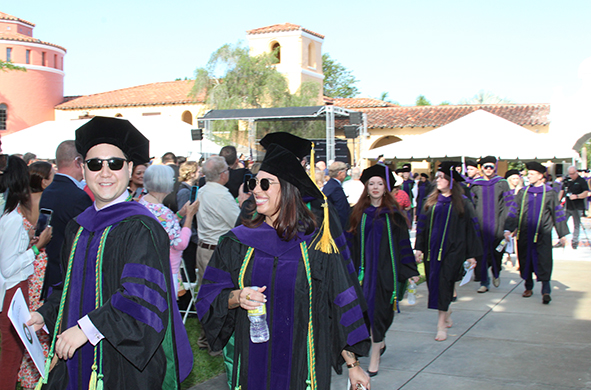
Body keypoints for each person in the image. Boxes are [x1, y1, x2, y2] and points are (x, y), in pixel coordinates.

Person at [28, 117, 192, 389]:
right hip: (76, 355)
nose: (104, 172)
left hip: (121, 364)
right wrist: (45, 314)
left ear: (129, 169)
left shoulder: (142, 228)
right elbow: (67, 288)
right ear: (84, 169)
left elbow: (142, 301)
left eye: (114, 163)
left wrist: (86, 329)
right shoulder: (77, 227)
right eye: (95, 164)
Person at [196, 143, 371, 390]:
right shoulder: (237, 242)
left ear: (288, 189)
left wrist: (353, 366)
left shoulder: (316, 245)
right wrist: (237, 297)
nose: (256, 190)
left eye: (265, 183)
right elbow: (209, 296)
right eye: (253, 183)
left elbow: (339, 302)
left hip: (304, 365)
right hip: (252, 364)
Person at [348, 163, 419, 376]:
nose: (376, 187)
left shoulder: (394, 215)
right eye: (372, 183)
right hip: (363, 274)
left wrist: (411, 271)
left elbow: (403, 245)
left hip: (386, 274)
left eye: (380, 183)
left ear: (386, 187)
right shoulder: (357, 213)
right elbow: (349, 245)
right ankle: (377, 344)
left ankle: (375, 353)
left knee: (381, 313)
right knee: (367, 315)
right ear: (366, 187)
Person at [0, 156, 52, 390]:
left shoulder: (8, 213)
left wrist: (27, 244)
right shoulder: (11, 217)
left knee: (13, 347)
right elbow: (8, 266)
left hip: (13, 286)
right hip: (11, 287)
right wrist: (36, 248)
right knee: (12, 348)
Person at [415, 162, 481, 341]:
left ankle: (440, 325)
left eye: (442, 177)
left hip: (454, 251)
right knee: (434, 285)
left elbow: (472, 229)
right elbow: (422, 227)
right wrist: (419, 248)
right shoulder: (430, 200)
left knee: (445, 284)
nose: (438, 180)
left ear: (451, 181)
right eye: (438, 177)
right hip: (431, 251)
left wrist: (472, 254)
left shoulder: (463, 203)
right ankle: (447, 310)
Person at [505, 162, 569, 304]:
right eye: (528, 174)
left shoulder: (550, 193)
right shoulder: (523, 192)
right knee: (525, 260)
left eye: (532, 174)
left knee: (544, 262)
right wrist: (508, 229)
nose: (528, 176)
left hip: (542, 235)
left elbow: (557, 213)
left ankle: (546, 290)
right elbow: (514, 211)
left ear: (540, 176)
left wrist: (562, 234)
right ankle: (528, 287)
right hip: (525, 234)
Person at [195, 155, 240, 353]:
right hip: (216, 250)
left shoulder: (202, 191)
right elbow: (237, 222)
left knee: (205, 294)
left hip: (203, 247)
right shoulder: (221, 194)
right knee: (218, 296)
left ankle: (207, 337)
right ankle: (214, 339)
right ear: (223, 175)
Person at [39, 140, 93, 300]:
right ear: (78, 161)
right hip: (69, 276)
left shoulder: (48, 191)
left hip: (52, 271)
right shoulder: (78, 196)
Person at [18, 161, 55, 389]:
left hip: (23, 268)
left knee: (26, 319)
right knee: (40, 319)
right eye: (52, 177)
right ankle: (42, 370)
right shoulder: (47, 203)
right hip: (41, 264)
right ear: (44, 181)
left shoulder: (18, 204)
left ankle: (27, 373)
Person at [139, 164, 199, 295]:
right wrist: (189, 217)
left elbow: (164, 228)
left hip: (147, 267)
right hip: (166, 270)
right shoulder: (163, 212)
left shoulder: (142, 203)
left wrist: (180, 214)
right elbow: (180, 243)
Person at [470, 156, 512, 293]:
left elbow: (509, 205)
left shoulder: (502, 183)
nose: (488, 169)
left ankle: (496, 271)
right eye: (485, 167)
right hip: (481, 226)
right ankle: (484, 282)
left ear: (495, 167)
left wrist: (508, 226)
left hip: (497, 225)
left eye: (491, 167)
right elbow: (471, 206)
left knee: (497, 253)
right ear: (481, 168)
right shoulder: (476, 184)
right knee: (481, 255)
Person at [176, 161, 200, 282]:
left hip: (190, 237)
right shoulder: (185, 192)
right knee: (189, 274)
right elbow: (185, 217)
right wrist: (195, 238)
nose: (200, 173)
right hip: (189, 240)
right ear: (191, 174)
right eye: (198, 171)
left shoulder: (189, 190)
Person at [558, 166, 589, 249]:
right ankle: (561, 240)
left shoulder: (581, 181)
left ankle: (575, 241)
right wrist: (558, 201)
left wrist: (577, 196)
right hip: (567, 206)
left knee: (576, 224)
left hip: (577, 206)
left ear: (576, 172)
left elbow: (586, 192)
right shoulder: (567, 181)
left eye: (573, 174)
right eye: (570, 174)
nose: (571, 176)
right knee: (562, 223)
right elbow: (562, 191)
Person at [323, 161, 351, 230]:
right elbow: (341, 210)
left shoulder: (330, 185)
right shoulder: (336, 188)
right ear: (340, 173)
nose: (345, 174)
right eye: (345, 172)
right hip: (337, 227)